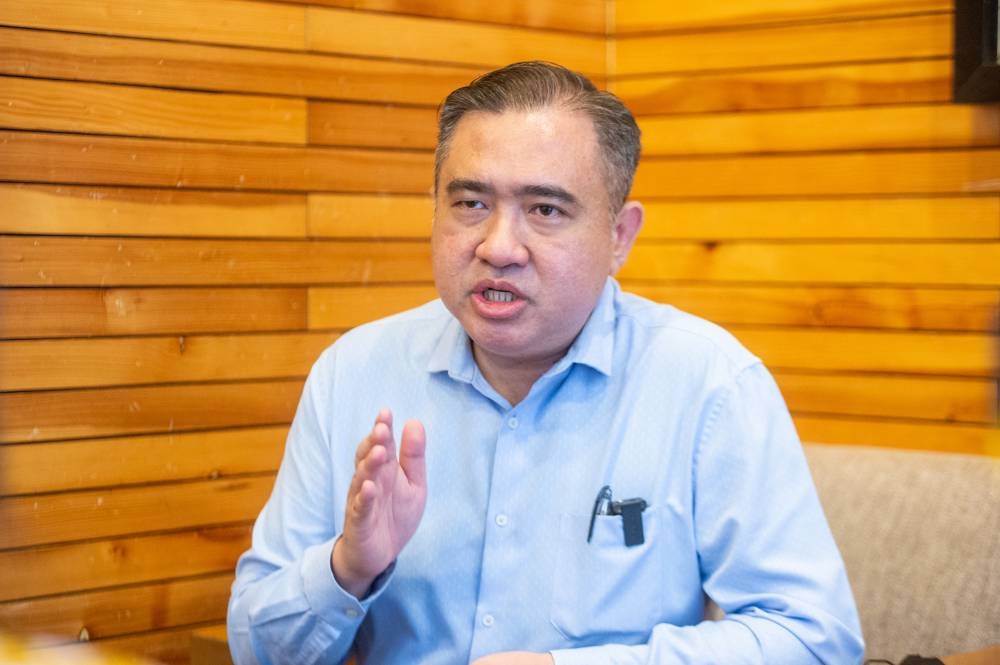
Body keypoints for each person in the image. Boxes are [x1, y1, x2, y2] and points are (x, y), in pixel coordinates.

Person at [227, 61, 864, 665]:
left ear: (620, 236)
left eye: (545, 210)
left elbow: (815, 640)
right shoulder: (355, 371)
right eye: (471, 204)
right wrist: (347, 569)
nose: (499, 247)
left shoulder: (708, 384)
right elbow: (252, 648)